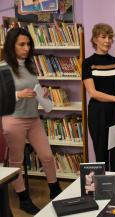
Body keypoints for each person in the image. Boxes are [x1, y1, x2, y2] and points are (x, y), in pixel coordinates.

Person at [1, 27, 61, 215]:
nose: (27, 48)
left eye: (28, 44)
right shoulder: (2, 68)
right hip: (13, 119)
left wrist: (41, 95)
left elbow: (35, 89)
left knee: (47, 156)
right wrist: (18, 94)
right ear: (12, 46)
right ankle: (23, 198)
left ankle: (55, 190)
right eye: (22, 44)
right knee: (16, 162)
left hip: (33, 118)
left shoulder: (30, 66)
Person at [82, 23, 115, 172]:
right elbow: (93, 93)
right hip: (98, 113)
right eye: (103, 37)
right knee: (101, 153)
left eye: (110, 37)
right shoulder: (88, 63)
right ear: (95, 39)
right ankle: (103, 190)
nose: (107, 41)